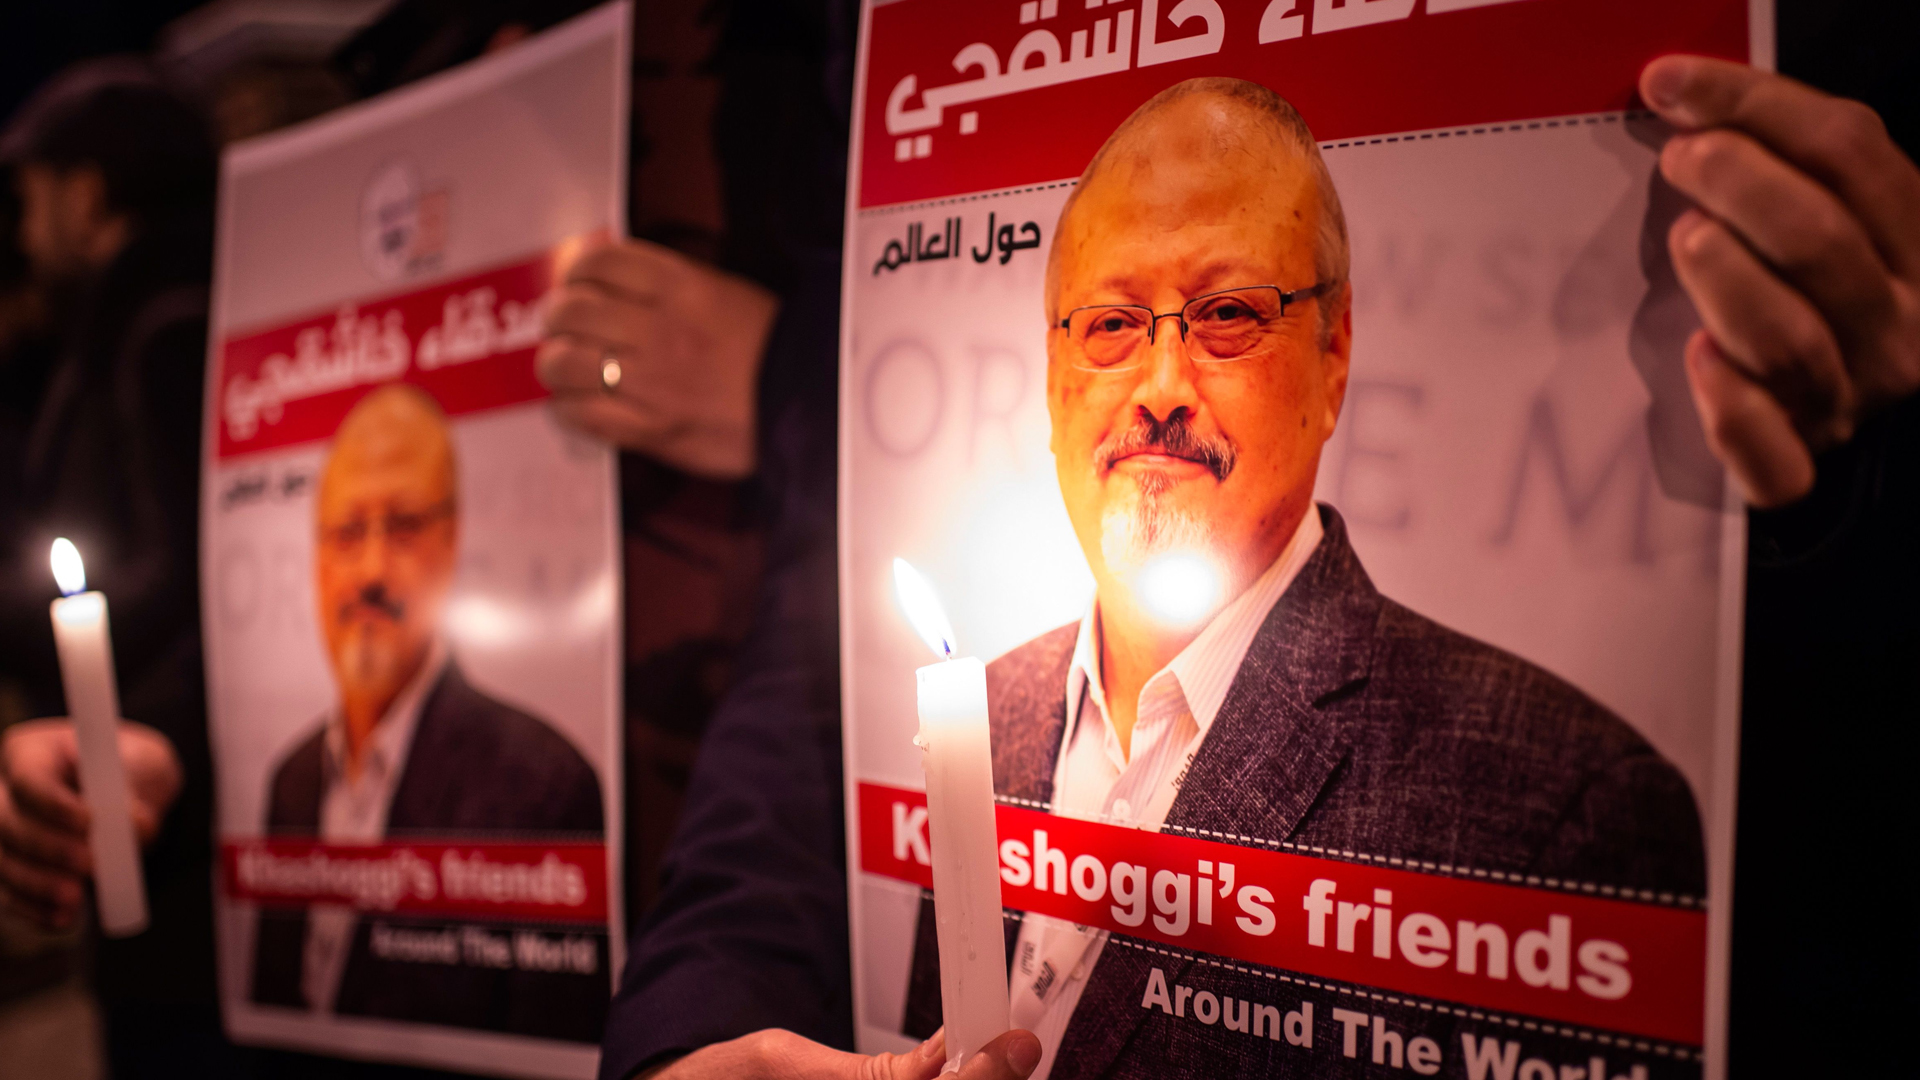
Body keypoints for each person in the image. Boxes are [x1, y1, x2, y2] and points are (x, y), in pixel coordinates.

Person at [592, 49, 1920, 1080]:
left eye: (1229, 314)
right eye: (1111, 324)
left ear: (1336, 357)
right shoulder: (971, 713)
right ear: (1050, 377)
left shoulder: (1567, 797)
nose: (1160, 384)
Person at [0, 60, 240, 1077]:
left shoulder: (164, 317)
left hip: (175, 815)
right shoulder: (168, 306)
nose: (21, 230)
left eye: (31, 197)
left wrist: (21, 619)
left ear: (86, 191)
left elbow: (200, 570)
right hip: (142, 792)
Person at [248, 383, 606, 1041]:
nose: (372, 570)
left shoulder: (544, 786)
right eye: (347, 532)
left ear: (452, 543)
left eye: (404, 527)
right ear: (316, 559)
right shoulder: (289, 783)